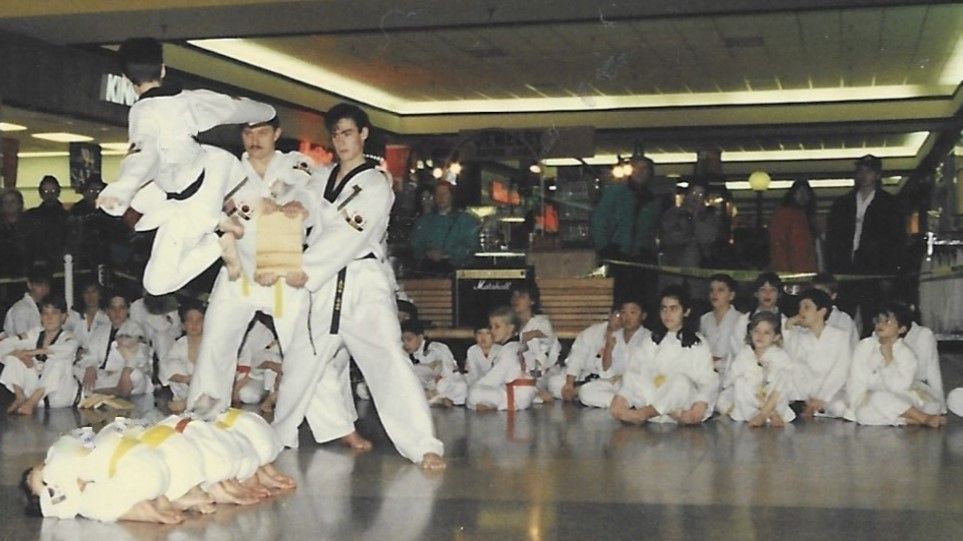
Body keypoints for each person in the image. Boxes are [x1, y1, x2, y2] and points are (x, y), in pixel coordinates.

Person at [272, 102, 445, 469]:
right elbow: (302, 195)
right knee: (300, 365)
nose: (341, 141)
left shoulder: (376, 183)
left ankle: (423, 445)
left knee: (388, 362)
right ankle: (274, 442)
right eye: (335, 134)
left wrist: (306, 266)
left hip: (362, 284)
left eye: (348, 133)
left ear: (364, 135)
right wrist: (294, 208)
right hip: (323, 287)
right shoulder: (323, 176)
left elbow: (349, 234)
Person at [96, 37, 275, 295]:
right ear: (163, 69)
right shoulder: (189, 100)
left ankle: (218, 238)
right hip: (213, 166)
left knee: (155, 286)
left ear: (126, 78)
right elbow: (232, 106)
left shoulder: (143, 113)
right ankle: (224, 230)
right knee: (141, 204)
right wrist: (266, 112)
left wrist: (121, 189)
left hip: (195, 203)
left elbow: (143, 153)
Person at [185, 113, 317, 415]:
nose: (254, 140)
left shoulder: (298, 164)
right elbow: (217, 212)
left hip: (284, 270)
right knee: (215, 344)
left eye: (262, 133)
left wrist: (301, 206)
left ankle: (334, 425)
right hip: (239, 272)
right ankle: (203, 414)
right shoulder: (229, 171)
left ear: (277, 133)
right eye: (248, 133)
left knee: (303, 349)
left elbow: (314, 199)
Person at [610, 286, 718, 425]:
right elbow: (635, 371)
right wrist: (620, 400)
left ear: (686, 312)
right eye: (664, 309)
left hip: (683, 401)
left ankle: (643, 414)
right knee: (631, 376)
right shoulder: (652, 339)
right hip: (657, 399)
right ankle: (664, 413)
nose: (667, 314)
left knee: (680, 382)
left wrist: (701, 403)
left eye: (673, 309)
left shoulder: (698, 343)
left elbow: (709, 380)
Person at [826, 154, 906, 335]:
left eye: (868, 171)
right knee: (842, 317)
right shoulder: (842, 204)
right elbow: (832, 239)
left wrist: (889, 273)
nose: (863, 175)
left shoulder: (890, 204)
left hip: (874, 270)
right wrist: (833, 269)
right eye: (860, 171)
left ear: (877, 175)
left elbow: (896, 241)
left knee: (873, 316)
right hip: (845, 269)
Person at [845, 302, 945, 427]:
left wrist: (889, 360)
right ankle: (910, 419)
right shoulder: (864, 346)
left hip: (902, 396)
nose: (880, 325)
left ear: (901, 329)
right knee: (862, 414)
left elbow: (900, 386)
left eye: (887, 322)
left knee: (880, 397)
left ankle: (921, 417)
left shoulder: (906, 353)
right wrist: (856, 401)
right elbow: (856, 378)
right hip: (873, 397)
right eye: (878, 321)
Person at [590, 155, 662, 304]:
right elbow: (599, 219)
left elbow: (651, 229)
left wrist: (649, 251)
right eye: (637, 168)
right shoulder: (615, 192)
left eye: (644, 169)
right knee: (620, 300)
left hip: (642, 258)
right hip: (618, 254)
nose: (640, 172)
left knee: (642, 301)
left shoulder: (653, 200)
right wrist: (604, 247)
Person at [0, 297, 79, 414]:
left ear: (63, 317)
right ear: (40, 316)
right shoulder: (34, 333)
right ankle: (20, 396)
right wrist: (19, 355)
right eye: (45, 313)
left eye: (54, 313)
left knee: (57, 360)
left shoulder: (69, 337)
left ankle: (31, 402)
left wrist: (29, 352)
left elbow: (65, 350)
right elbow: (4, 345)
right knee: (13, 358)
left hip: (60, 397)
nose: (49, 317)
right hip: (34, 393)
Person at [720, 311, 795, 426]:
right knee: (741, 382)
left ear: (776, 337)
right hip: (750, 404)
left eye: (766, 333)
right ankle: (765, 414)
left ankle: (767, 414)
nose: (760, 336)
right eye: (757, 331)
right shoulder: (744, 354)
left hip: (774, 400)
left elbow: (784, 384)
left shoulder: (780, 356)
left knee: (783, 376)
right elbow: (730, 380)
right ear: (750, 333)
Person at [785, 288, 852, 418]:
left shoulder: (840, 336)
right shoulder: (799, 336)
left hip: (829, 394)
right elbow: (790, 364)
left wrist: (822, 398)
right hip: (803, 395)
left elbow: (839, 371)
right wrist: (788, 328)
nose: (801, 311)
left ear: (821, 312)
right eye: (800, 307)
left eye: (807, 307)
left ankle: (816, 407)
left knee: (840, 407)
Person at [74, 293, 152, 398]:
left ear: (128, 310)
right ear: (107, 311)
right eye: (113, 308)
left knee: (136, 376)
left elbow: (140, 357)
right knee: (72, 370)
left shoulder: (136, 329)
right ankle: (109, 392)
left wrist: (125, 372)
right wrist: (90, 367)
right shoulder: (100, 330)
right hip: (102, 376)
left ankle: (97, 392)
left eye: (121, 308)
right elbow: (90, 354)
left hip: (123, 376)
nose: (117, 312)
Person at [578, 299, 650, 408]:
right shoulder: (615, 336)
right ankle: (627, 405)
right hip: (616, 383)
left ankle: (628, 403)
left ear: (643, 316)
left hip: (637, 385)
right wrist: (609, 348)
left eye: (633, 313)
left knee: (645, 394)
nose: (627, 317)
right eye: (623, 312)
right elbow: (605, 371)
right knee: (585, 392)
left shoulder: (649, 338)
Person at [658, 182, 723, 297]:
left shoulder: (709, 219)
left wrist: (697, 218)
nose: (695, 198)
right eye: (693, 193)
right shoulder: (672, 215)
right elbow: (673, 237)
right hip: (673, 272)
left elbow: (707, 239)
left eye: (700, 195)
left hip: (697, 276)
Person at [466, 306, 535, 411]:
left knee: (473, 393)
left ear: (510, 328)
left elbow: (494, 378)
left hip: (515, 396)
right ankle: (489, 404)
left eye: (497, 327)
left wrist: (477, 386)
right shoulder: (520, 346)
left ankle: (492, 405)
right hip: (524, 393)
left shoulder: (508, 351)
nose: (492, 331)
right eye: (491, 327)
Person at [551, 309, 621, 401]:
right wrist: (569, 384)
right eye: (617, 316)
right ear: (610, 315)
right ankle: (576, 392)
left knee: (587, 393)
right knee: (554, 383)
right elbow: (576, 357)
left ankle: (624, 403)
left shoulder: (628, 338)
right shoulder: (591, 333)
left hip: (607, 381)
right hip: (584, 376)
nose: (620, 321)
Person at [410, 180, 479, 274]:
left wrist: (448, 254)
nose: (441, 197)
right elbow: (415, 246)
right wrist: (428, 253)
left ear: (452, 196)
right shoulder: (423, 222)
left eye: (445, 194)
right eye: (438, 194)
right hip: (428, 272)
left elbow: (471, 246)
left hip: (457, 271)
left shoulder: (465, 221)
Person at [510, 280, 561, 401]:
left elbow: (547, 338)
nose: (516, 300)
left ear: (532, 301)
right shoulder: (511, 324)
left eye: (521, 296)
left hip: (542, 372)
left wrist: (533, 334)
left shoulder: (541, 321)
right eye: (514, 296)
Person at [401, 319, 466, 407]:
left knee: (460, 387)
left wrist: (438, 387)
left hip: (447, 383)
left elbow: (449, 372)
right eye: (403, 340)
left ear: (420, 337)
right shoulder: (407, 353)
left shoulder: (437, 348)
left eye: (409, 339)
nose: (406, 344)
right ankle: (439, 400)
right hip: (428, 387)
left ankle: (439, 398)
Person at [729, 272, 790, 357]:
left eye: (772, 290)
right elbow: (736, 349)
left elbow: (789, 352)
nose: (767, 294)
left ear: (779, 294)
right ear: (756, 293)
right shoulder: (744, 320)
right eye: (763, 290)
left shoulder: (785, 323)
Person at [159, 302, 205, 413]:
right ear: (183, 325)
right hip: (184, 394)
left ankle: (189, 403)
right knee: (171, 363)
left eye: (199, 320)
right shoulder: (180, 345)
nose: (194, 324)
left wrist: (186, 403)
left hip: (208, 397)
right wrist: (187, 379)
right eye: (190, 320)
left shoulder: (212, 345)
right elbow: (166, 369)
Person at [232, 317, 283, 412]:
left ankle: (271, 397)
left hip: (256, 377)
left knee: (247, 395)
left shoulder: (263, 332)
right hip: (234, 376)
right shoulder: (228, 327)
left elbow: (261, 363)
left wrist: (236, 389)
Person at [769, 179, 819, 272]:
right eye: (800, 192)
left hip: (803, 269)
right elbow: (778, 243)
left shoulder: (805, 217)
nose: (803, 196)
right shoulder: (786, 214)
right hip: (795, 269)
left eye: (806, 194)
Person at [699, 273, 743, 373]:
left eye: (720, 290)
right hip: (707, 371)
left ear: (731, 295)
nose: (715, 294)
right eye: (711, 290)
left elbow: (741, 353)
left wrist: (720, 362)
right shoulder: (704, 319)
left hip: (731, 372)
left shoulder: (741, 320)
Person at [23, 175, 68, 266]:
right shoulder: (31, 216)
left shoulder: (68, 217)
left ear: (58, 193)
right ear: (40, 194)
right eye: (46, 191)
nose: (49, 195)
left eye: (53, 191)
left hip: (62, 262)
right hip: (36, 262)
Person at [811, 272, 859, 349]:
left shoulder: (844, 320)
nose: (818, 297)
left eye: (823, 293)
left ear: (833, 296)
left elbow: (852, 347)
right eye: (814, 293)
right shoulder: (805, 318)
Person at [2, 265, 51, 339]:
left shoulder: (46, 306)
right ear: (29, 285)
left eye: (46, 285)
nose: (44, 289)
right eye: (39, 285)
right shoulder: (21, 309)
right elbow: (23, 341)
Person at [65, 281, 111, 354]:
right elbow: (64, 336)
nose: (90, 296)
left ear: (100, 295)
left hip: (99, 357)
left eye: (94, 292)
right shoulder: (73, 315)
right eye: (86, 292)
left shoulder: (107, 316)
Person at [0, 187, 28, 276]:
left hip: (25, 271)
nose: (9, 205)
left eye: (13, 201)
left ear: (20, 204)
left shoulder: (30, 224)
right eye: (5, 202)